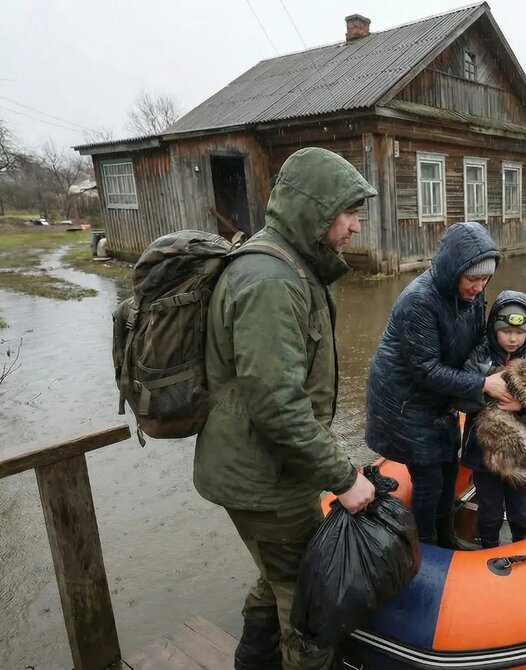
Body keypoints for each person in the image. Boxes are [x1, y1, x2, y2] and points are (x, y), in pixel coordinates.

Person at [193, 147, 378, 670]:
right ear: (315, 211)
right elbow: (277, 405)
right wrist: (344, 477)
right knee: (308, 601)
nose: (356, 227)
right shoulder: (271, 281)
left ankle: (252, 662)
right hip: (262, 478)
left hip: (272, 469)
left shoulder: (294, 265)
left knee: (276, 571)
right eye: (349, 213)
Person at [365, 221, 512, 548]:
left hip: (440, 399)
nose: (479, 286)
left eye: (485, 279)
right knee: (429, 479)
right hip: (404, 402)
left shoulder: (475, 292)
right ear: (452, 270)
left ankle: (447, 536)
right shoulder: (418, 301)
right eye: (473, 278)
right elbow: (426, 370)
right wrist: (483, 384)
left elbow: (478, 340)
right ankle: (426, 546)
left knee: (449, 467)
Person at [459, 290, 526, 547]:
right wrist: (486, 389)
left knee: (521, 507)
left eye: (519, 332)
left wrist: (520, 406)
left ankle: (522, 539)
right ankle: (488, 545)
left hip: (518, 454)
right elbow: (460, 400)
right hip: (483, 454)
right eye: (506, 331)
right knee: (490, 509)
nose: (512, 338)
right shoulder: (477, 357)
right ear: (493, 328)